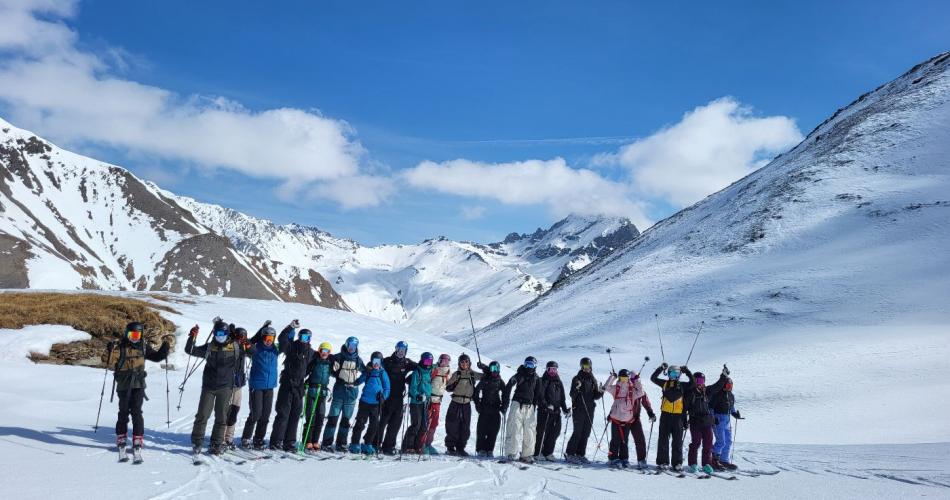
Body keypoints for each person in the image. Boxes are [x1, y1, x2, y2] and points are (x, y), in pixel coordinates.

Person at [106, 321, 171, 463]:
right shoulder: (120, 347)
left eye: (138, 334)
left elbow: (156, 357)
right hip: (124, 384)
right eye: (132, 334)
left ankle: (137, 439)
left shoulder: (143, 346)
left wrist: (165, 347)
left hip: (138, 385)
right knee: (123, 411)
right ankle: (121, 437)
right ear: (127, 334)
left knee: (136, 412)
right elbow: (108, 362)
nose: (135, 337)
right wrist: (109, 350)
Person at [186, 318, 244, 455]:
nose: (220, 337)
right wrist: (192, 337)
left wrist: (241, 339)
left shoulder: (235, 347)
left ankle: (216, 444)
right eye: (217, 334)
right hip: (209, 387)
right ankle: (197, 442)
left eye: (223, 334)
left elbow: (252, 351)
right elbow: (190, 350)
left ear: (228, 334)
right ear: (214, 334)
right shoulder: (209, 347)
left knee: (221, 417)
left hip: (226, 388)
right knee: (202, 415)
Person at [268, 322, 315, 452]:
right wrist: (290, 327)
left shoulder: (311, 352)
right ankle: (276, 441)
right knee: (283, 413)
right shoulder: (291, 347)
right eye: (302, 337)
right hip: (287, 384)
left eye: (307, 338)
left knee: (295, 414)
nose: (304, 340)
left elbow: (313, 367)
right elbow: (282, 339)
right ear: (298, 337)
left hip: (299, 386)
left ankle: (289, 442)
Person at [604, 368, 656, 469]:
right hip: (618, 418)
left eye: (626, 378)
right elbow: (608, 389)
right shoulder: (617, 388)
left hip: (632, 418)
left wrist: (636, 379)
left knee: (629, 440)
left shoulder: (634, 390)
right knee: (616, 440)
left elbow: (642, 394)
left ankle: (632, 459)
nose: (625, 380)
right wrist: (612, 377)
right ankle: (613, 458)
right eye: (622, 378)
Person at [322, 336, 366, 452]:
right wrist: (335, 374)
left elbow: (366, 372)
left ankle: (341, 444)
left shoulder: (358, 360)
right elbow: (330, 365)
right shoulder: (339, 356)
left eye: (354, 346)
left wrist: (357, 382)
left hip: (351, 394)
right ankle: (326, 443)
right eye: (350, 345)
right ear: (346, 345)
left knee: (345, 421)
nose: (352, 348)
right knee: (333, 419)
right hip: (339, 392)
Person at [240, 324, 278, 449]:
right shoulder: (255, 349)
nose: (269, 341)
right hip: (256, 385)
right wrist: (261, 329)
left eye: (271, 338)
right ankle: (246, 438)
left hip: (269, 386)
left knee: (265, 415)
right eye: (267, 337)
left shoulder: (275, 349)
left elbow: (285, 340)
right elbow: (248, 344)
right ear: (262, 337)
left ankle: (259, 439)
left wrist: (291, 329)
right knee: (256, 413)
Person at [650, 363, 694, 471]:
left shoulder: (683, 385)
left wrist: (687, 371)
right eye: (672, 373)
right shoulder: (664, 383)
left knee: (677, 440)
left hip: (678, 416)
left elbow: (693, 383)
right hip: (665, 415)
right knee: (663, 439)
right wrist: (661, 368)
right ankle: (662, 462)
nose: (674, 376)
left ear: (679, 375)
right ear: (669, 374)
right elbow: (653, 378)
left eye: (677, 373)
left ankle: (677, 463)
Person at [377, 341, 417, 455]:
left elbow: (420, 368)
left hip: (399, 398)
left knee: (395, 424)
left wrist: (410, 379)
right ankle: (376, 444)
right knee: (382, 421)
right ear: (396, 349)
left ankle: (388, 446)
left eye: (403, 351)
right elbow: (376, 368)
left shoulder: (407, 362)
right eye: (399, 350)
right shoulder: (387, 361)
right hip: (386, 397)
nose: (401, 352)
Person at [502, 356, 543, 463]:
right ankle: (511, 453)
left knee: (530, 432)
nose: (529, 367)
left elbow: (538, 394)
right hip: (517, 404)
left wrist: (536, 406)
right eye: (527, 364)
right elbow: (508, 387)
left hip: (529, 407)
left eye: (531, 365)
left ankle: (527, 455)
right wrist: (505, 403)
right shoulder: (519, 375)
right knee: (514, 429)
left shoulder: (537, 378)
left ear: (535, 366)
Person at [685, 370, 726, 474]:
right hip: (695, 422)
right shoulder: (690, 393)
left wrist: (723, 376)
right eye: (698, 380)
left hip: (707, 422)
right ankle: (692, 464)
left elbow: (717, 386)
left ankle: (706, 464)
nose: (700, 383)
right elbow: (684, 408)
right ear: (694, 381)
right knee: (696, 443)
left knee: (708, 444)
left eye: (702, 380)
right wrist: (684, 421)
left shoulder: (707, 391)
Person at [565, 357, 604, 464]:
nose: (587, 369)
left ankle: (580, 454)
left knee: (586, 432)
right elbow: (572, 394)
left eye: (588, 367)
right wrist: (577, 388)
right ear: (581, 367)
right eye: (584, 367)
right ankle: (570, 454)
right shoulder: (577, 378)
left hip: (590, 409)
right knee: (577, 432)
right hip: (579, 409)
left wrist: (601, 391)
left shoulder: (592, 379)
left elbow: (595, 396)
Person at [350, 352, 390, 454]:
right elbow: (360, 380)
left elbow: (387, 388)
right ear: (371, 361)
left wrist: (383, 397)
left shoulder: (382, 373)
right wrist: (354, 383)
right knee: (360, 423)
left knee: (374, 425)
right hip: (365, 402)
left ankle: (367, 444)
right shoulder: (368, 372)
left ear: (381, 362)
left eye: (378, 361)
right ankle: (354, 443)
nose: (376, 364)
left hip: (376, 404)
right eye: (374, 361)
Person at [444, 353, 482, 456]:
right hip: (455, 402)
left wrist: (484, 367)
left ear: (469, 363)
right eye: (462, 362)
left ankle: (461, 448)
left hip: (466, 404)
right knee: (452, 425)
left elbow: (485, 376)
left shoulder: (473, 374)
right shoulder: (457, 374)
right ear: (459, 363)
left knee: (465, 427)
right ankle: (450, 448)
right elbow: (447, 386)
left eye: (466, 362)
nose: (464, 364)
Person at [534, 361, 569, 461]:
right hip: (544, 412)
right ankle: (537, 452)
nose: (553, 371)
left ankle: (548, 453)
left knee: (554, 433)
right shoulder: (543, 380)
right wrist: (546, 406)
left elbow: (562, 398)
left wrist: (565, 409)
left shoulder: (558, 381)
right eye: (551, 369)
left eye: (555, 369)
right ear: (547, 369)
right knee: (542, 432)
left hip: (556, 412)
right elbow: (540, 396)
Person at [708, 366, 742, 470]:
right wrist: (713, 418)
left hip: (727, 420)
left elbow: (731, 407)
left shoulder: (731, 395)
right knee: (721, 441)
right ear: (723, 385)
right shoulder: (717, 394)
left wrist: (735, 413)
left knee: (728, 441)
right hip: (718, 419)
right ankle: (714, 460)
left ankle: (724, 460)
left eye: (730, 386)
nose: (729, 387)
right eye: (727, 385)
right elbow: (710, 407)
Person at [302, 341, 333, 451]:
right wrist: (304, 382)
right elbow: (305, 372)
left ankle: (315, 440)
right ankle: (307, 440)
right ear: (319, 351)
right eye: (322, 350)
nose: (324, 353)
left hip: (322, 392)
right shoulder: (314, 361)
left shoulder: (330, 363)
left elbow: (336, 373)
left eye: (326, 351)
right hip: (312, 390)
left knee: (320, 416)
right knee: (311, 416)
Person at [401, 352, 434, 454]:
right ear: (422, 360)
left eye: (430, 361)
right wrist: (418, 395)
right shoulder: (417, 372)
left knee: (424, 425)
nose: (428, 363)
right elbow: (413, 388)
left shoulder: (429, 372)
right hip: (416, 402)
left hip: (426, 401)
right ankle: (407, 446)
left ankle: (417, 446)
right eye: (426, 361)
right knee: (416, 424)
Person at [223, 326, 249, 450]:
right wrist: (230, 334)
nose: (241, 339)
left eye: (243, 337)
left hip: (238, 384)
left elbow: (253, 351)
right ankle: (221, 438)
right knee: (225, 411)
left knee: (234, 411)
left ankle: (229, 438)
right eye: (239, 337)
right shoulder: (229, 345)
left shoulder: (244, 346)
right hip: (227, 384)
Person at [421, 353, 452, 455]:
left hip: (438, 401)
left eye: (447, 361)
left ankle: (428, 445)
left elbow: (448, 385)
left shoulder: (448, 372)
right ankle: (422, 445)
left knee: (434, 424)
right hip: (429, 399)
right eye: (442, 361)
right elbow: (426, 380)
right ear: (439, 360)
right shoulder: (434, 369)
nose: (444, 363)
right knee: (426, 423)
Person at [473, 361, 505, 457]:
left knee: (493, 431)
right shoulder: (485, 380)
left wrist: (504, 406)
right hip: (484, 409)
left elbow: (505, 394)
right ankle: (481, 449)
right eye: (492, 369)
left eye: (496, 369)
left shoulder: (500, 381)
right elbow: (476, 392)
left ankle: (489, 450)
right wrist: (478, 405)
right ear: (490, 370)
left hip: (495, 409)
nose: (494, 371)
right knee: (481, 430)